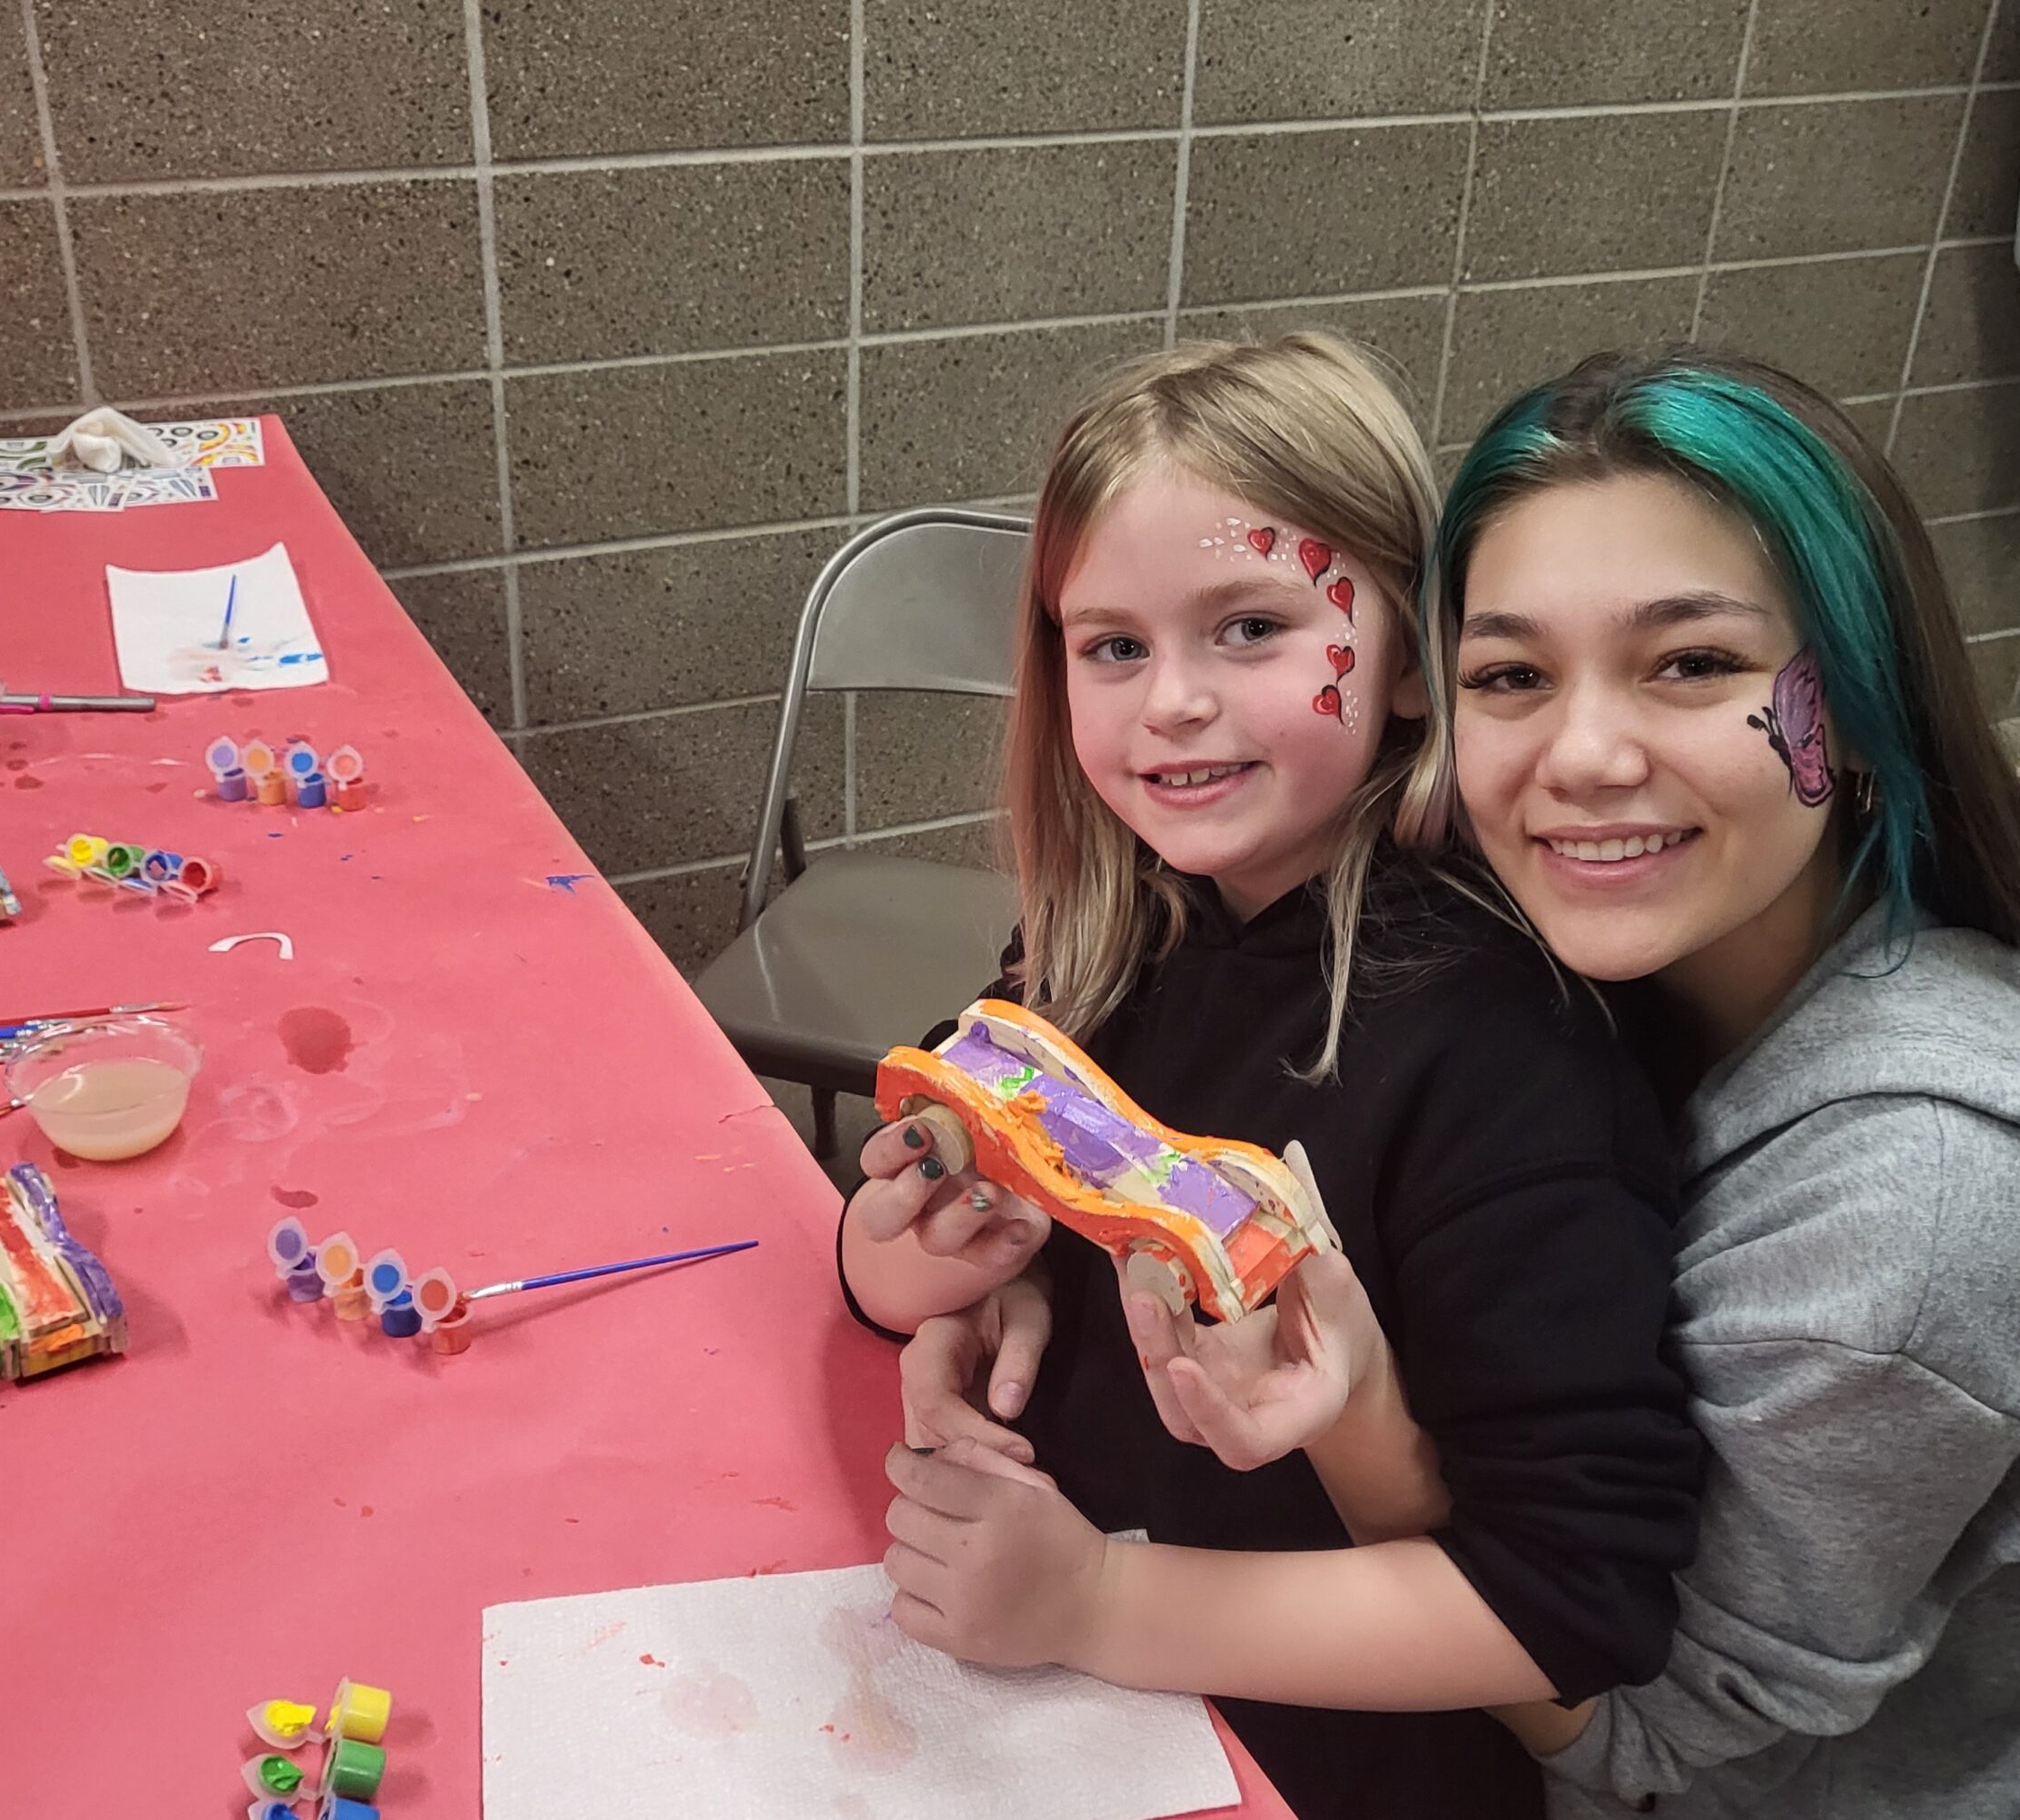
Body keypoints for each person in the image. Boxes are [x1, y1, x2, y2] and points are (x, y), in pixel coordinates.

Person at [1126, 348, 2020, 1818]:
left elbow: (1630, 1733)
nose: (1585, 754)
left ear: (1856, 708)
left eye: (1692, 663)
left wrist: (1344, 1445)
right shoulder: (1557, 961)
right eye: (1513, 675)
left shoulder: (1912, 1212)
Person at [836, 333, 1703, 1820]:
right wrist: (932, 1273)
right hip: (1038, 1702)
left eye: (1248, 626)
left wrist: (1101, 1601)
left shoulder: (1500, 1053)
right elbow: (900, 1238)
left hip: (1311, 1759)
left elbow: (1574, 1607)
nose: (1169, 700)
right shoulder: (1106, 942)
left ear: (1413, 659)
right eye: (1112, 645)